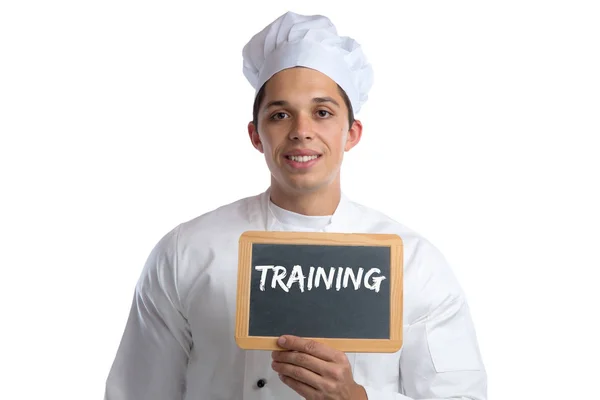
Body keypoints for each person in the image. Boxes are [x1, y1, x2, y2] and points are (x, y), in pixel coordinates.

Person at [104, 10, 487, 400]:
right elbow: (137, 392)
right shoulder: (186, 251)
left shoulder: (413, 264)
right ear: (256, 135)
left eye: (322, 113)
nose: (301, 131)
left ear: (350, 133)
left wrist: (356, 398)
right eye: (280, 115)